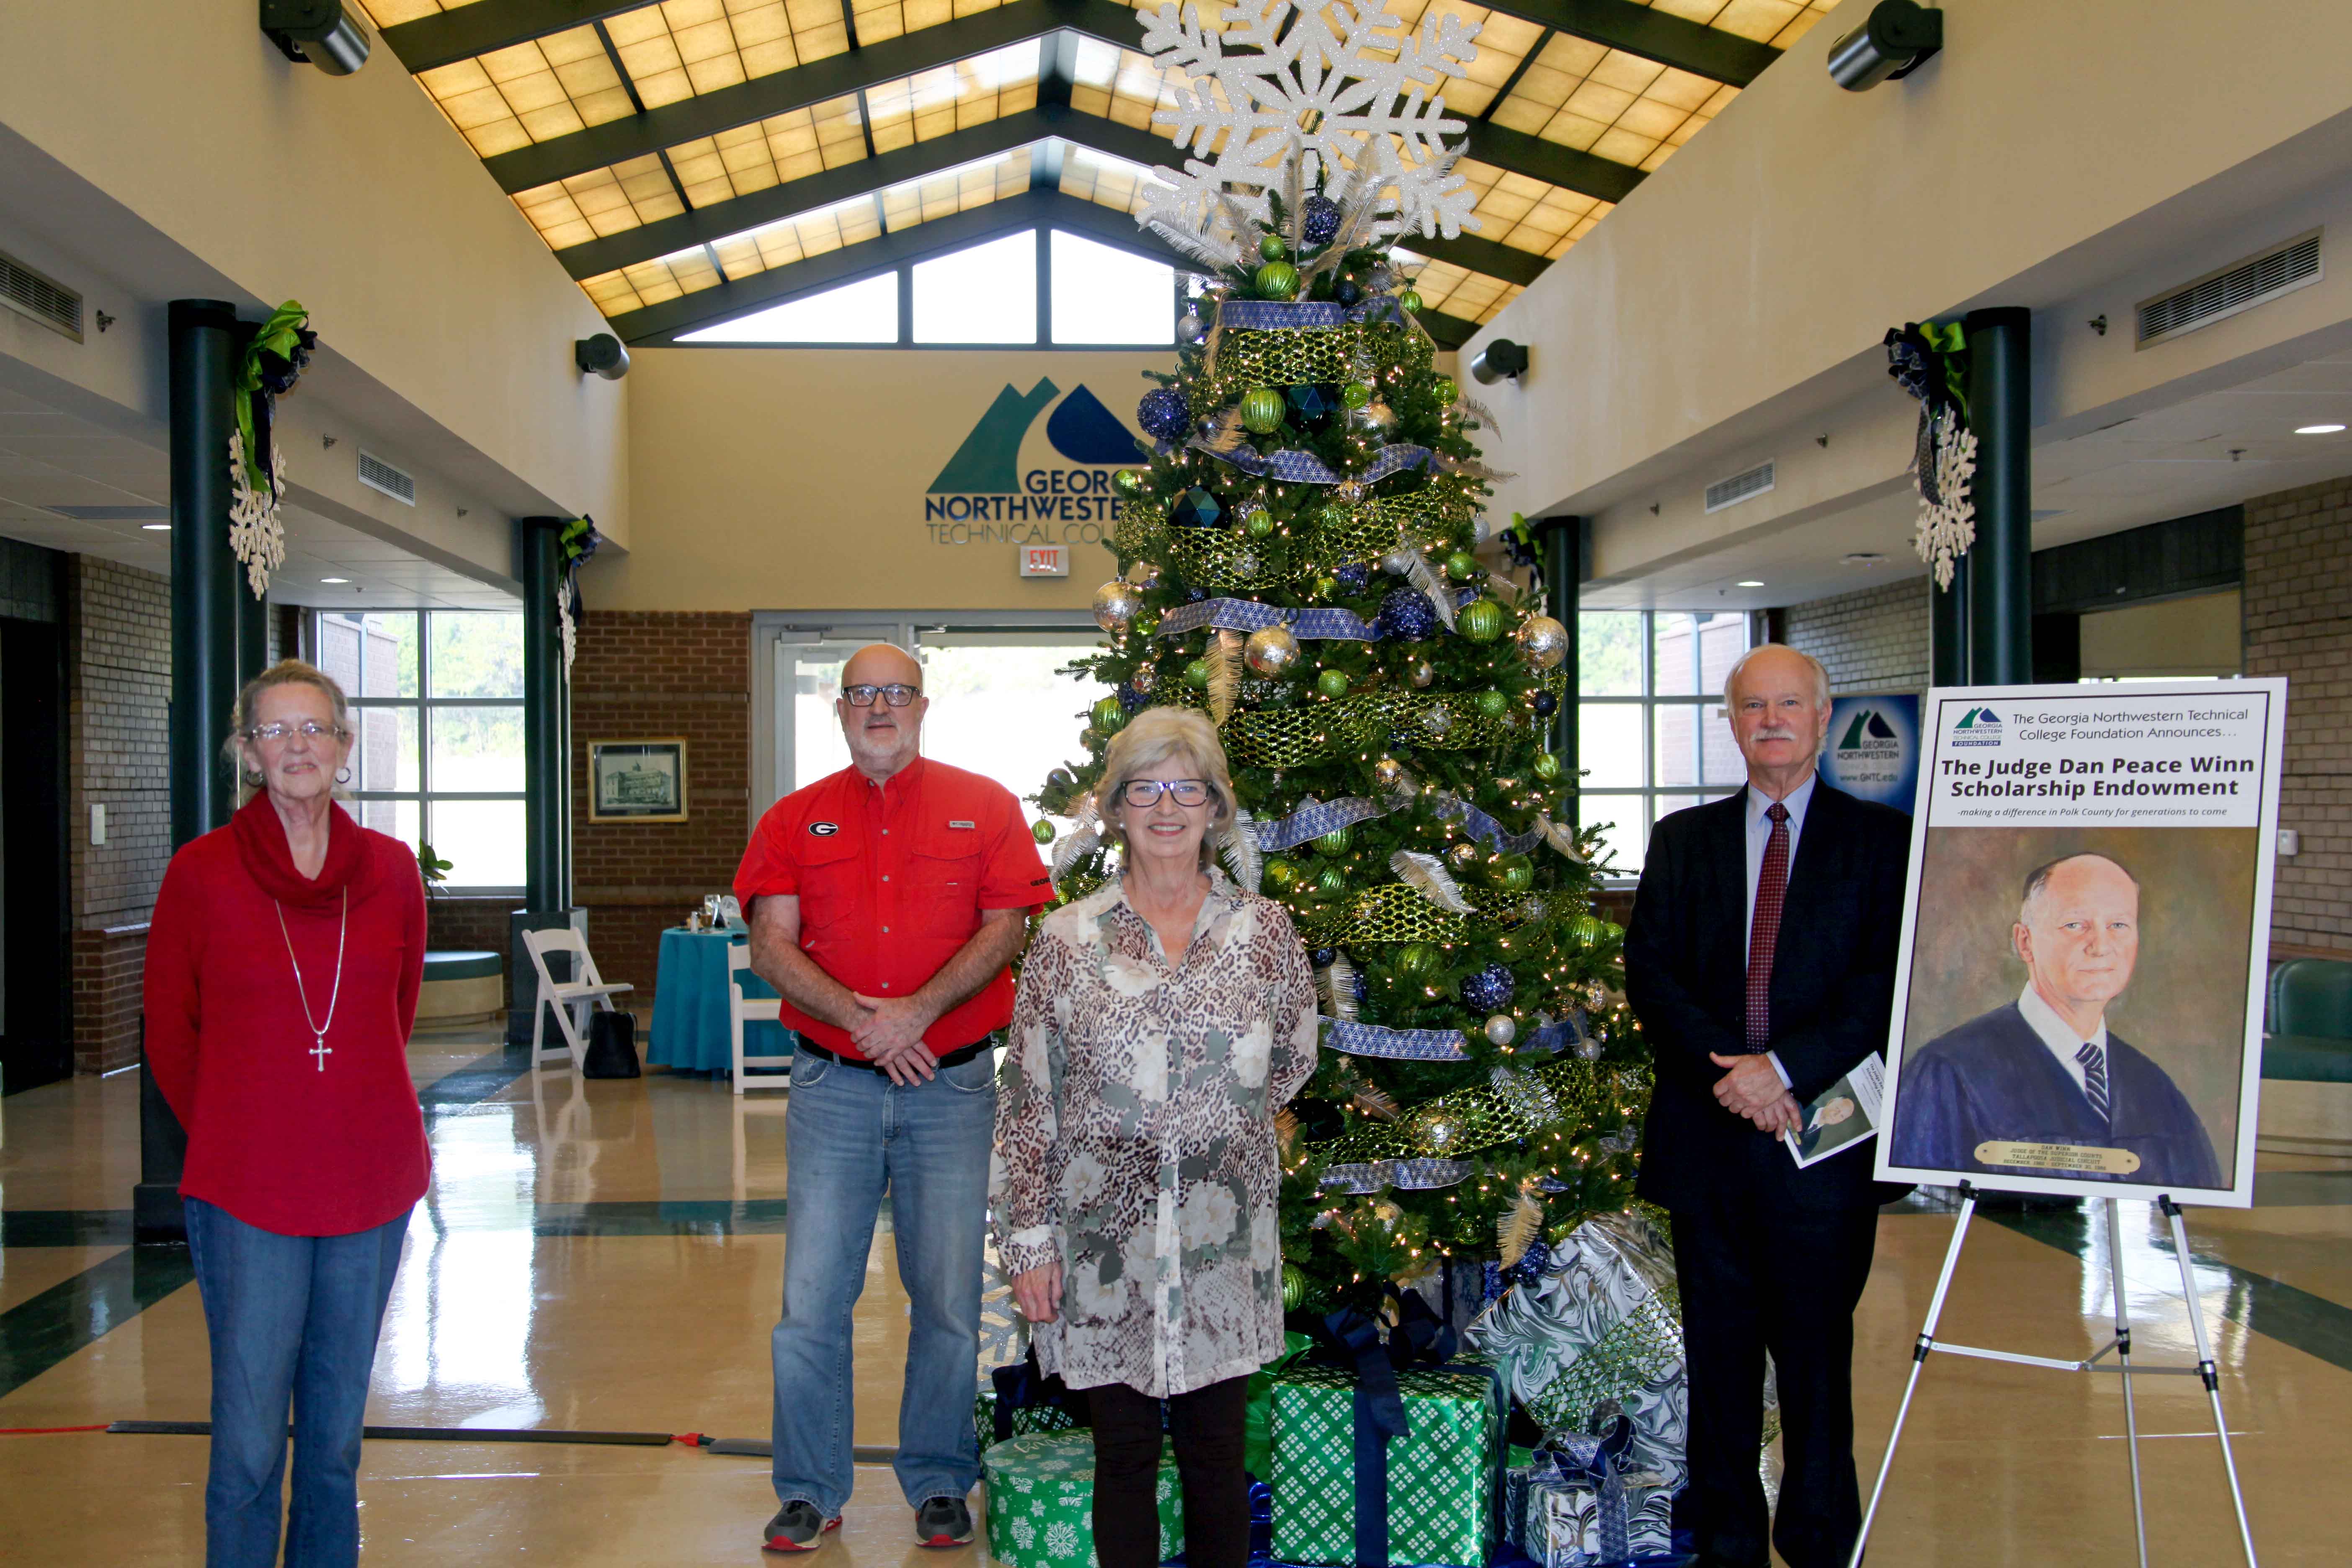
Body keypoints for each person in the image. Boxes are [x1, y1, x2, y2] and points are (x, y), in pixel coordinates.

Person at [734, 642, 1053, 1554]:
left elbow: (1007, 927)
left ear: (923, 706)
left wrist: (916, 1015)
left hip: (951, 1089)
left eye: (897, 694)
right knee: (810, 1301)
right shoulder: (795, 820)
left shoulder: (984, 807)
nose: (880, 708)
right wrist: (869, 1022)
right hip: (832, 1087)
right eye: (862, 695)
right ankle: (809, 1488)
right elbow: (771, 945)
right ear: (839, 710)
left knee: (949, 1298)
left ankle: (941, 1479)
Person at [991, 707, 1316, 1568]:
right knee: (1125, 1458)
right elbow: (1029, 1097)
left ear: (1217, 808)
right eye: (1145, 789)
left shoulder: (1267, 936)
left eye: (1187, 789)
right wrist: (1029, 1242)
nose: (1166, 808)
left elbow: (1291, 1061)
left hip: (1224, 1249)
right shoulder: (1066, 942)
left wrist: (1208, 1134)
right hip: (1105, 1248)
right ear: (1114, 808)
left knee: (1218, 1463)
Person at [1621, 644, 1911, 1568]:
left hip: (1823, 1146)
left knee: (1819, 1364)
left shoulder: (1882, 844)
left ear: (1826, 719)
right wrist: (1735, 1076)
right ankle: (1730, 1543)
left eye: (1791, 704)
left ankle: (1822, 1541)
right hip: (1711, 1143)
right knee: (1720, 1363)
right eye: (1754, 707)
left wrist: (1782, 1069)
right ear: (1733, 722)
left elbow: (1882, 985)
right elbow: (1652, 975)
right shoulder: (1684, 840)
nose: (1773, 721)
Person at [143, 660, 429, 1568]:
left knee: (336, 1441)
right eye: (277, 731)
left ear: (346, 750)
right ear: (248, 752)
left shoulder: (389, 870)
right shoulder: (201, 874)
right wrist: (238, 1128)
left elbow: (398, 1010)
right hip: (247, 1192)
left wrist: (342, 1102)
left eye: (316, 730)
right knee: (252, 1440)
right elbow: (168, 1030)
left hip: (368, 1185)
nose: (298, 746)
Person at [1891, 852, 2223, 1189]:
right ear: (2025, 942)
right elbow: (1920, 1211)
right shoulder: (1949, 1073)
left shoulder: (2155, 1089)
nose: (2101, 947)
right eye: (2075, 925)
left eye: (2118, 926)